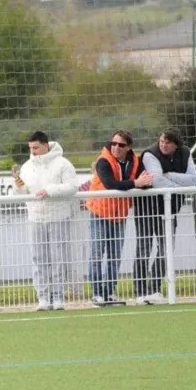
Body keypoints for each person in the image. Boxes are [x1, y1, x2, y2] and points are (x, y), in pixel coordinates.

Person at [13, 131, 78, 311]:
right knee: (39, 258)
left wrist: (50, 190)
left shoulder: (63, 164)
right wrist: (19, 188)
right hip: (35, 217)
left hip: (58, 216)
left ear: (45, 145)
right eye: (30, 148)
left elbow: (72, 187)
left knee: (58, 257)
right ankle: (42, 297)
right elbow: (25, 193)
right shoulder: (27, 167)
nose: (33, 151)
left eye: (36, 147)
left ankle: (58, 296)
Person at [85, 130, 151, 306]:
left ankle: (109, 292)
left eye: (121, 145)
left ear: (128, 147)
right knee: (96, 254)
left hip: (120, 214)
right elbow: (110, 184)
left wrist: (143, 183)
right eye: (113, 143)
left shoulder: (135, 161)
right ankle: (98, 294)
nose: (116, 147)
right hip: (99, 212)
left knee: (115, 256)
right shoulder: (103, 160)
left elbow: (145, 181)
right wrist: (135, 184)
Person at [135, 128, 196, 304]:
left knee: (166, 250)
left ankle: (154, 289)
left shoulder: (184, 153)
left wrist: (170, 175)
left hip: (170, 210)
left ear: (176, 145)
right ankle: (140, 292)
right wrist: (179, 186)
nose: (163, 144)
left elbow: (194, 178)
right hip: (147, 210)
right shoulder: (149, 154)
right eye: (161, 140)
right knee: (144, 249)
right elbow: (156, 180)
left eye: (168, 142)